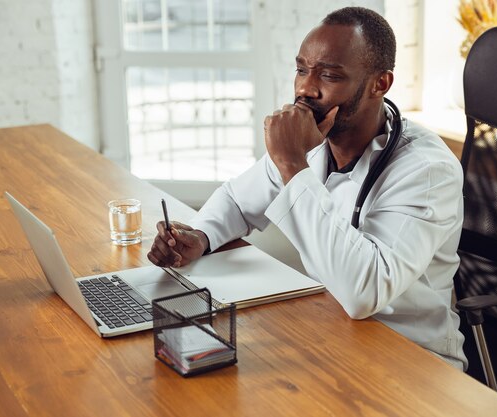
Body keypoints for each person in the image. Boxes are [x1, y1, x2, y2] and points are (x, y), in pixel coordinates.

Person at [147, 7, 467, 370]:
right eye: (301, 69)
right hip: (329, 335)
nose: (305, 88)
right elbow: (237, 200)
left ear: (381, 83)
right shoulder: (315, 140)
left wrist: (291, 163)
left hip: (411, 360)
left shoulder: (425, 171)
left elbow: (365, 292)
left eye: (329, 75)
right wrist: (201, 237)